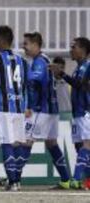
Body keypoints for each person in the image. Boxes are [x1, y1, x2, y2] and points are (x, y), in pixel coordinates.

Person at [0, 26, 28, 191]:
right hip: (18, 107)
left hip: (3, 107)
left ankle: (13, 181)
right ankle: (15, 181)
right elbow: (25, 85)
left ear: (2, 40)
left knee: (6, 143)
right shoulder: (22, 61)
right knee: (15, 144)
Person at [22, 32, 70, 189]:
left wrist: (29, 106)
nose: (24, 47)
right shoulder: (43, 60)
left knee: (26, 139)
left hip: (42, 109)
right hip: (52, 109)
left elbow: (34, 82)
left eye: (26, 44)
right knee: (51, 143)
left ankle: (12, 176)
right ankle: (65, 179)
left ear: (36, 45)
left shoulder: (39, 62)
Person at [50, 37, 90, 189]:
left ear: (83, 50)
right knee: (79, 147)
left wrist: (62, 74)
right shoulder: (78, 67)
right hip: (77, 114)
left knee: (86, 145)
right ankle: (85, 181)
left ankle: (75, 178)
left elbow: (79, 84)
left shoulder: (87, 66)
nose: (71, 50)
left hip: (85, 112)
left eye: (74, 47)